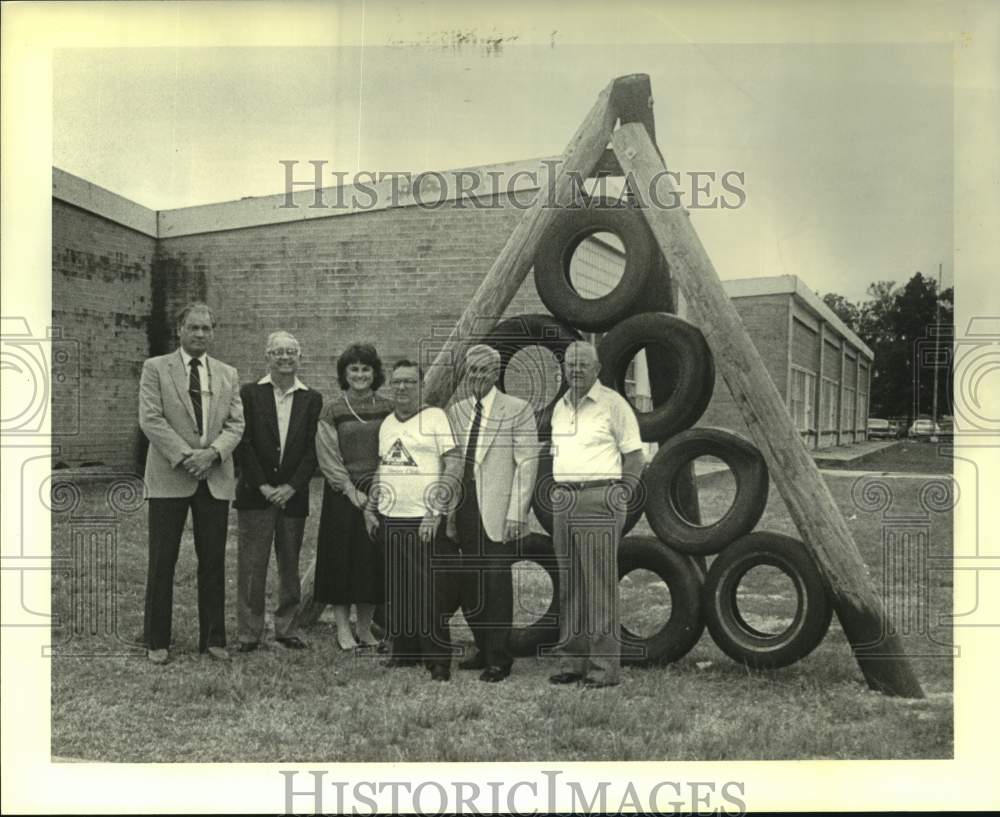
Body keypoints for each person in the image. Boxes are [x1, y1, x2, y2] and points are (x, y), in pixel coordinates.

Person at [138, 301, 245, 665]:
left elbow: (236, 425)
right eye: (194, 327)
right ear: (179, 330)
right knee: (162, 560)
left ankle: (214, 639)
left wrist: (212, 455)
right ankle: (156, 639)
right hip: (170, 476)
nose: (200, 334)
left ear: (213, 332)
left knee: (213, 560)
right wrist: (187, 457)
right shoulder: (155, 368)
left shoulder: (228, 373)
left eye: (207, 328)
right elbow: (150, 419)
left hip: (214, 478)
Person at [546, 341, 645, 689]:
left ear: (597, 369)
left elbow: (635, 456)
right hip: (564, 499)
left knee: (599, 586)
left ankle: (603, 670)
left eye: (583, 364)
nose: (575, 369)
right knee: (570, 583)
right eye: (570, 364)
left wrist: (620, 495)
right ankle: (571, 662)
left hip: (598, 498)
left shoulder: (613, 405)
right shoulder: (560, 407)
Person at [363, 359, 462, 681]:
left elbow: (453, 464)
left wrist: (436, 512)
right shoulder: (388, 424)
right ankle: (405, 652)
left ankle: (438, 660)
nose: (402, 387)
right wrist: (371, 508)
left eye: (409, 382)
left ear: (421, 386)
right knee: (399, 590)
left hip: (423, 519)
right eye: (397, 382)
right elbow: (384, 467)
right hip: (391, 517)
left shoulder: (435, 418)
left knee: (429, 592)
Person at [445, 344, 539, 682]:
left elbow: (527, 463)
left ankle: (500, 658)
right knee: (471, 584)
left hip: (499, 510)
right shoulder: (456, 411)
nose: (478, 377)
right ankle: (482, 647)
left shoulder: (517, 408)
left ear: (497, 372)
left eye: (484, 370)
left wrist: (517, 512)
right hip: (464, 507)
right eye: (472, 371)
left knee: (496, 583)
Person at [233, 331, 322, 652]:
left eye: (291, 352)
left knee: (289, 564)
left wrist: (290, 486)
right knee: (252, 564)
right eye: (278, 352)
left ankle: (287, 627)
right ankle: (249, 632)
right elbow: (243, 445)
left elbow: (313, 449)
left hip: (292, 496)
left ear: (300, 357)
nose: (285, 358)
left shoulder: (312, 399)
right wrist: (264, 486)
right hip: (255, 493)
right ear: (267, 356)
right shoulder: (249, 394)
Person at [313, 343, 393, 651]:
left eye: (366, 369)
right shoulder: (332, 410)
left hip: (380, 493)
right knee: (341, 563)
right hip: (343, 496)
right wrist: (350, 492)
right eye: (354, 369)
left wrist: (376, 491)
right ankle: (343, 630)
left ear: (375, 373)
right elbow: (328, 455)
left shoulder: (388, 408)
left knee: (371, 563)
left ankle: (364, 629)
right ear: (344, 374)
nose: (360, 375)